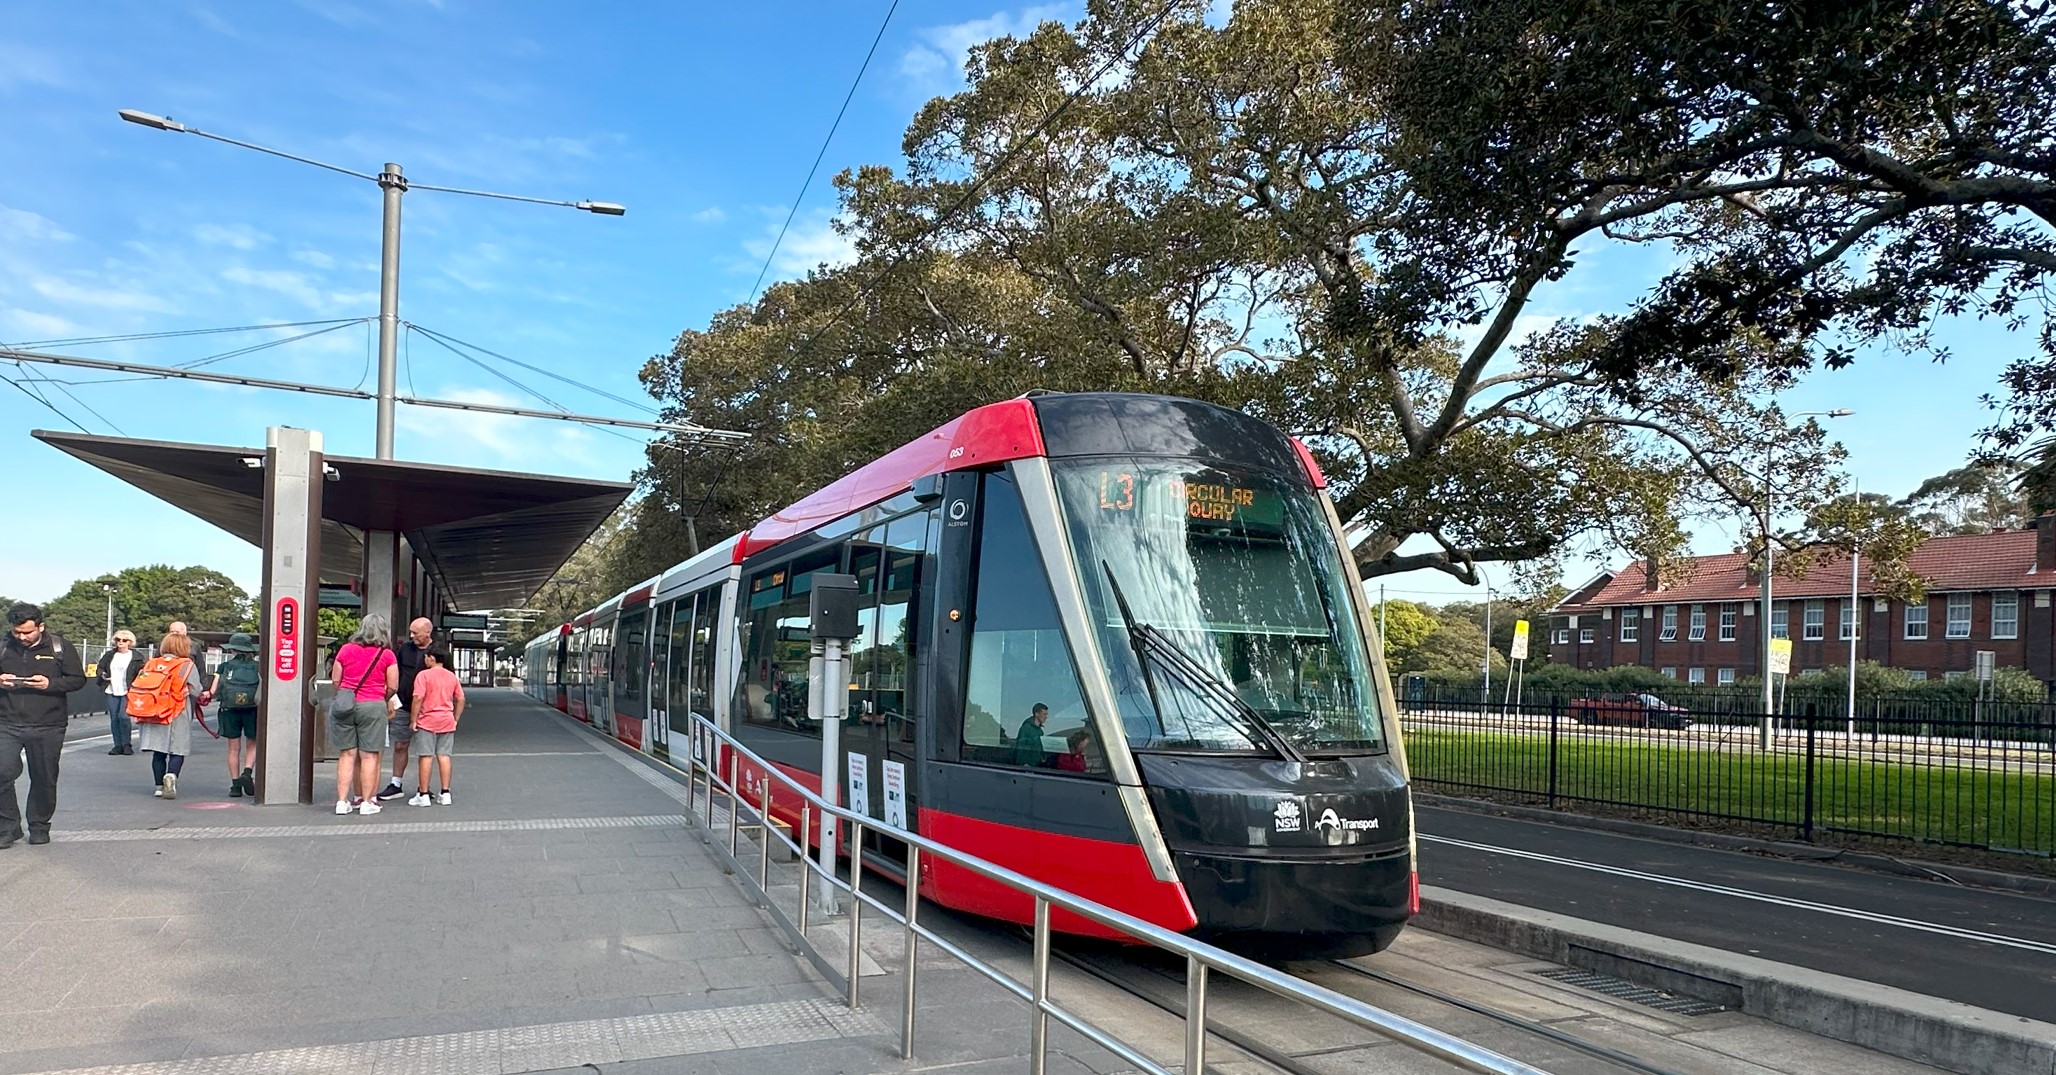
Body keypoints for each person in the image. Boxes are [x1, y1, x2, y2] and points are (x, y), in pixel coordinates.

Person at [1, 604, 88, 848]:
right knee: (2, 772)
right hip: (7, 721)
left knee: (44, 777)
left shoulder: (60, 647)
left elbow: (77, 680)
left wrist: (49, 684)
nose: (22, 637)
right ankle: (7, 827)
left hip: (48, 723)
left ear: (41, 626)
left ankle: (39, 825)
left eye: (28, 632)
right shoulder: (4, 645)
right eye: (18, 632)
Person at [329, 615, 398, 816]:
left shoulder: (346, 649)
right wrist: (381, 698)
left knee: (347, 754)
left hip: (345, 705)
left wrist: (347, 695)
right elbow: (393, 685)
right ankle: (367, 802)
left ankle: (342, 802)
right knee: (369, 755)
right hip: (373, 705)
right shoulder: (387, 655)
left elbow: (336, 680)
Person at [133, 632, 208, 801]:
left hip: (154, 711)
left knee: (158, 752)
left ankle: (159, 786)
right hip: (177, 711)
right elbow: (196, 689)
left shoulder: (151, 663)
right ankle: (172, 776)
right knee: (177, 749)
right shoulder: (186, 665)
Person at [376, 617, 437, 803]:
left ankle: (423, 788)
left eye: (415, 632)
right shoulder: (404, 649)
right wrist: (391, 699)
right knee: (400, 744)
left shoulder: (438, 651)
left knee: (425, 749)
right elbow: (394, 674)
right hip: (403, 703)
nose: (411, 636)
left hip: (428, 706)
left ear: (427, 632)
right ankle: (396, 784)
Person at [406, 647, 465, 807]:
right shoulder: (451, 676)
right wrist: (455, 718)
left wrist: (413, 720)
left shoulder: (423, 675)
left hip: (427, 720)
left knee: (426, 756)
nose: (424, 659)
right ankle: (445, 793)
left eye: (426, 656)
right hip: (446, 720)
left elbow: (418, 698)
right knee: (444, 756)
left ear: (431, 658)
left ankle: (423, 794)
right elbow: (460, 699)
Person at [207, 632, 262, 797]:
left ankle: (235, 785)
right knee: (252, 743)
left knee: (233, 747)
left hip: (229, 709)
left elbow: (213, 690)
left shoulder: (224, 667)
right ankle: (247, 771)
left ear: (232, 650)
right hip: (252, 709)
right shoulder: (258, 667)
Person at [94, 629, 141, 755]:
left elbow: (142, 672)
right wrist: (102, 675)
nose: (120, 642)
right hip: (111, 689)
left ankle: (127, 744)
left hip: (128, 690)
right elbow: (100, 667)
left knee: (123, 717)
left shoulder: (136, 657)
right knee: (114, 718)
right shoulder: (110, 655)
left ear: (129, 642)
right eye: (118, 640)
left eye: (124, 640)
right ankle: (117, 745)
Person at [1012, 702, 1052, 767]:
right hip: (1026, 767)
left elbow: (1039, 749)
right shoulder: (1025, 729)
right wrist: (1023, 763)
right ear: (1036, 714)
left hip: (1036, 766)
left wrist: (1042, 758)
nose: (1046, 717)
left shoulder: (1040, 731)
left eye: (1046, 714)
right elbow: (1020, 748)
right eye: (1044, 714)